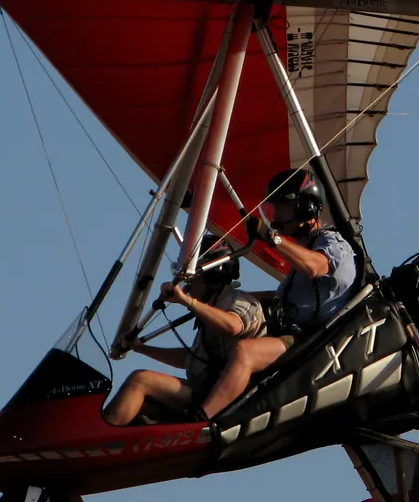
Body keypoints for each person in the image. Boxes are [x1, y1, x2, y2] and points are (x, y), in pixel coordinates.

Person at [194, 168, 358, 420]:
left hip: (315, 340)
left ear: (306, 207)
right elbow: (280, 298)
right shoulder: (303, 252)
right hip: (290, 334)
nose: (276, 216)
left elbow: (316, 266)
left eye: (283, 207)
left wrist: (274, 240)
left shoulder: (334, 244)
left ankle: (201, 421)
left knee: (245, 352)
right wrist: (221, 302)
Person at [103, 235, 265, 426]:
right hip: (202, 389)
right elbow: (191, 359)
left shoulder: (240, 301)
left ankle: (102, 437)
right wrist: (142, 348)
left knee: (141, 380)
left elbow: (233, 325)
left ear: (213, 278)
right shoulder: (211, 309)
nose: (187, 286)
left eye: (192, 279)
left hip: (224, 395)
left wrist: (187, 301)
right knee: (135, 403)